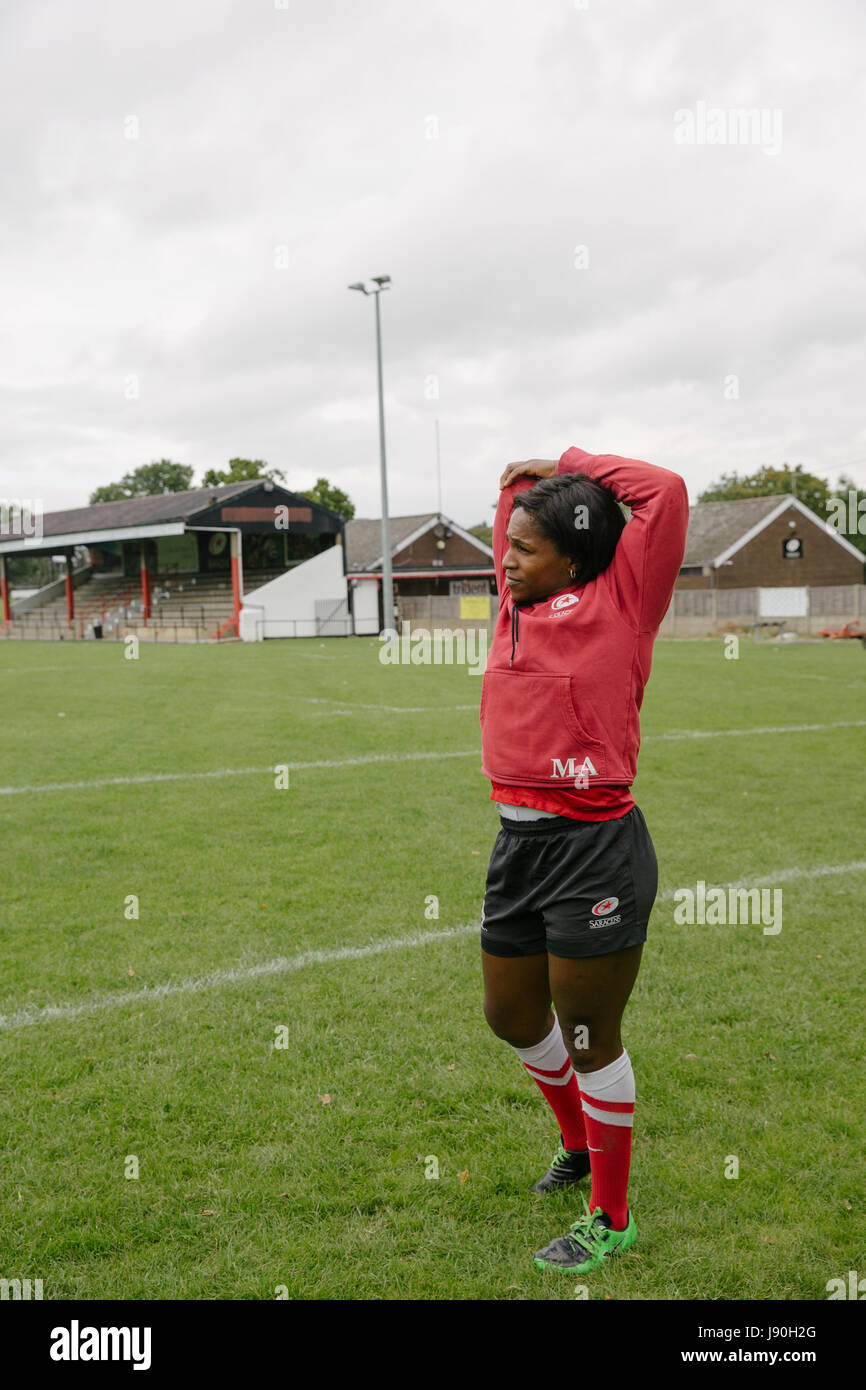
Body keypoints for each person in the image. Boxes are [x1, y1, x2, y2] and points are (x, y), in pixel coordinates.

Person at [479, 446, 689, 1274]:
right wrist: (524, 490)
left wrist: (569, 460)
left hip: (594, 849)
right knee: (513, 1018)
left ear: (575, 553)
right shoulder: (513, 603)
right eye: (508, 546)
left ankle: (612, 1215)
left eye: (525, 550)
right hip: (517, 846)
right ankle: (574, 1144)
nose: (507, 559)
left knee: (591, 1034)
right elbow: (512, 505)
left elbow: (664, 492)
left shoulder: (625, 599)